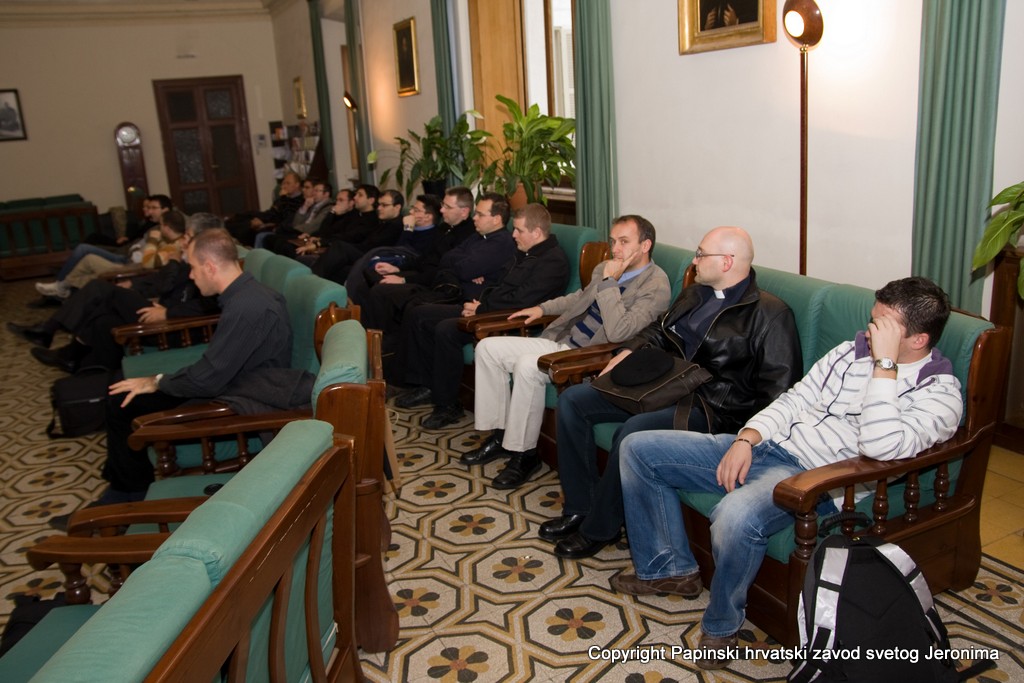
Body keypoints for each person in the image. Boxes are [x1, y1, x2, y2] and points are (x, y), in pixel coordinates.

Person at [613, 276, 962, 669]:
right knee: (638, 448)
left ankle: (722, 624)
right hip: (769, 446)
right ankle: (669, 569)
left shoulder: (939, 394)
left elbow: (881, 447)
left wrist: (884, 366)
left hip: (815, 480)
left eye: (882, 325)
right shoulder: (848, 352)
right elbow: (796, 398)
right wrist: (747, 438)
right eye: (872, 319)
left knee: (734, 515)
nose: (869, 331)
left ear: (918, 339)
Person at [543, 226, 802, 559]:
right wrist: (629, 349)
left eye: (701, 254)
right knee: (573, 400)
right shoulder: (695, 293)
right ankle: (579, 508)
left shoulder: (770, 314)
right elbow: (659, 329)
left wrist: (747, 439)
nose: (694, 262)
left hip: (711, 409)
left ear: (726, 262)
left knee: (634, 430)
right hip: (664, 386)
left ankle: (600, 528)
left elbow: (780, 392)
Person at [468, 215, 672, 489]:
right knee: (488, 348)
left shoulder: (655, 285)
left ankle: (524, 455)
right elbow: (580, 297)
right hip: (562, 342)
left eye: (624, 242)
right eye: (613, 241)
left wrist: (610, 283)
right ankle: (500, 434)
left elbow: (619, 332)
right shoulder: (606, 268)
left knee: (528, 366)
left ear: (645, 245)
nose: (615, 249)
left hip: (587, 358)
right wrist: (542, 308)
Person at [96, 227, 294, 502]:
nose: (190, 275)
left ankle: (128, 495)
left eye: (193, 268)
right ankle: (122, 484)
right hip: (234, 382)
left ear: (210, 267)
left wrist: (157, 381)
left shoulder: (248, 306)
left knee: (123, 404)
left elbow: (208, 379)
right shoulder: (245, 296)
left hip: (244, 394)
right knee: (125, 393)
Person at [394, 202, 570, 429]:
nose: (513, 235)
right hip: (490, 308)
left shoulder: (553, 261)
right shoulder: (523, 251)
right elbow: (500, 283)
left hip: (514, 321)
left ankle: (447, 405)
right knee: (421, 314)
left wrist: (480, 309)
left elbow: (522, 301)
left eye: (519, 230)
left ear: (536, 232)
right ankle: (428, 385)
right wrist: (483, 295)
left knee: (447, 329)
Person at [7, 213, 223, 372]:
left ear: (203, 238)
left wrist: (167, 311)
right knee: (104, 318)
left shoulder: (208, 265)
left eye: (188, 236)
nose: (183, 240)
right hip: (162, 310)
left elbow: (208, 303)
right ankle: (79, 364)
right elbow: (161, 282)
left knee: (100, 289)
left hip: (176, 325)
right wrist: (137, 285)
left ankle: (49, 331)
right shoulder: (190, 259)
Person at [363, 191, 516, 350]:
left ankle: (392, 351)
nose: (474, 218)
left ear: (496, 219)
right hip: (447, 284)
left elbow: (462, 269)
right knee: (383, 288)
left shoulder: (500, 241)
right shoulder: (477, 236)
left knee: (414, 309)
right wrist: (466, 266)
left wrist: (463, 266)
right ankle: (382, 346)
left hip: (461, 297)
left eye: (480, 214)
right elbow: (446, 258)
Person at [345, 189, 475, 309]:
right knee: (366, 282)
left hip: (434, 282)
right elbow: (423, 258)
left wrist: (404, 280)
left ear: (464, 211)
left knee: (380, 289)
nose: (442, 210)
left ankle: (379, 327)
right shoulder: (444, 228)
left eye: (448, 207)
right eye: (442, 205)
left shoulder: (468, 236)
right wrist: (397, 268)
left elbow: (443, 270)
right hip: (420, 273)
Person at [34, 195, 172, 299]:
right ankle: (62, 287)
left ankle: (62, 287)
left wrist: (136, 251)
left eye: (153, 208)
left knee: (86, 256)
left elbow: (148, 256)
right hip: (127, 254)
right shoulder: (152, 225)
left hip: (131, 264)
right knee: (89, 257)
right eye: (148, 208)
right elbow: (137, 242)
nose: (149, 211)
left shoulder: (165, 230)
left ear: (165, 210)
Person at [307, 188, 403, 278]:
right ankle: (314, 276)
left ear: (397, 207)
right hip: (366, 252)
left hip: (374, 257)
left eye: (384, 205)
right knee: (339, 252)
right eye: (379, 204)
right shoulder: (384, 222)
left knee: (340, 247)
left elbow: (374, 245)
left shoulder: (396, 225)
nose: (379, 208)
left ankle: (312, 277)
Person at [229, 171, 303, 246]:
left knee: (247, 227)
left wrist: (264, 223)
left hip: (277, 224)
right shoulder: (284, 197)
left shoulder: (299, 200)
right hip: (268, 216)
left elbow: (286, 217)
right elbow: (273, 211)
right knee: (240, 218)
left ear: (297, 185)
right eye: (283, 183)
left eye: (288, 183)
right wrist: (261, 219)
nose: (284, 186)